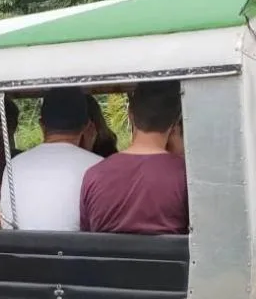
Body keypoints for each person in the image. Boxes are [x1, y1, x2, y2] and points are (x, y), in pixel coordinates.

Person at [79, 81, 189, 235]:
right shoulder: (186, 176)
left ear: (130, 115)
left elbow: (86, 237)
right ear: (175, 123)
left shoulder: (94, 175)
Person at [0, 89, 101, 231]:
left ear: (41, 124)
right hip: (76, 252)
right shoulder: (100, 167)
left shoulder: (14, 165)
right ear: (87, 126)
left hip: (22, 251)